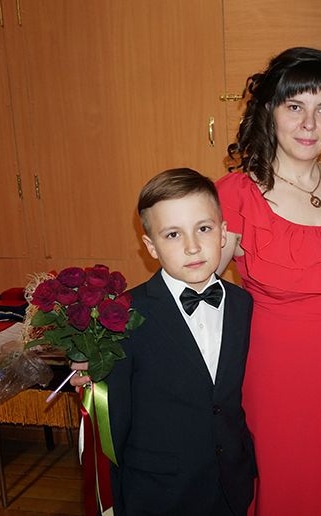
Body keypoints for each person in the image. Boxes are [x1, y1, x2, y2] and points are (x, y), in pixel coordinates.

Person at [215, 47, 321, 515]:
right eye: (294, 106)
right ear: (269, 110)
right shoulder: (236, 194)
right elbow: (192, 288)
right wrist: (118, 340)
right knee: (285, 488)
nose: (309, 124)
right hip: (278, 379)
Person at [84, 168, 257, 515]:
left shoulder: (243, 304)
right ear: (151, 246)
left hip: (231, 483)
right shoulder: (125, 316)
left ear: (224, 233)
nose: (192, 247)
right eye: (173, 234)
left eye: (204, 229)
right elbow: (115, 422)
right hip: (158, 491)